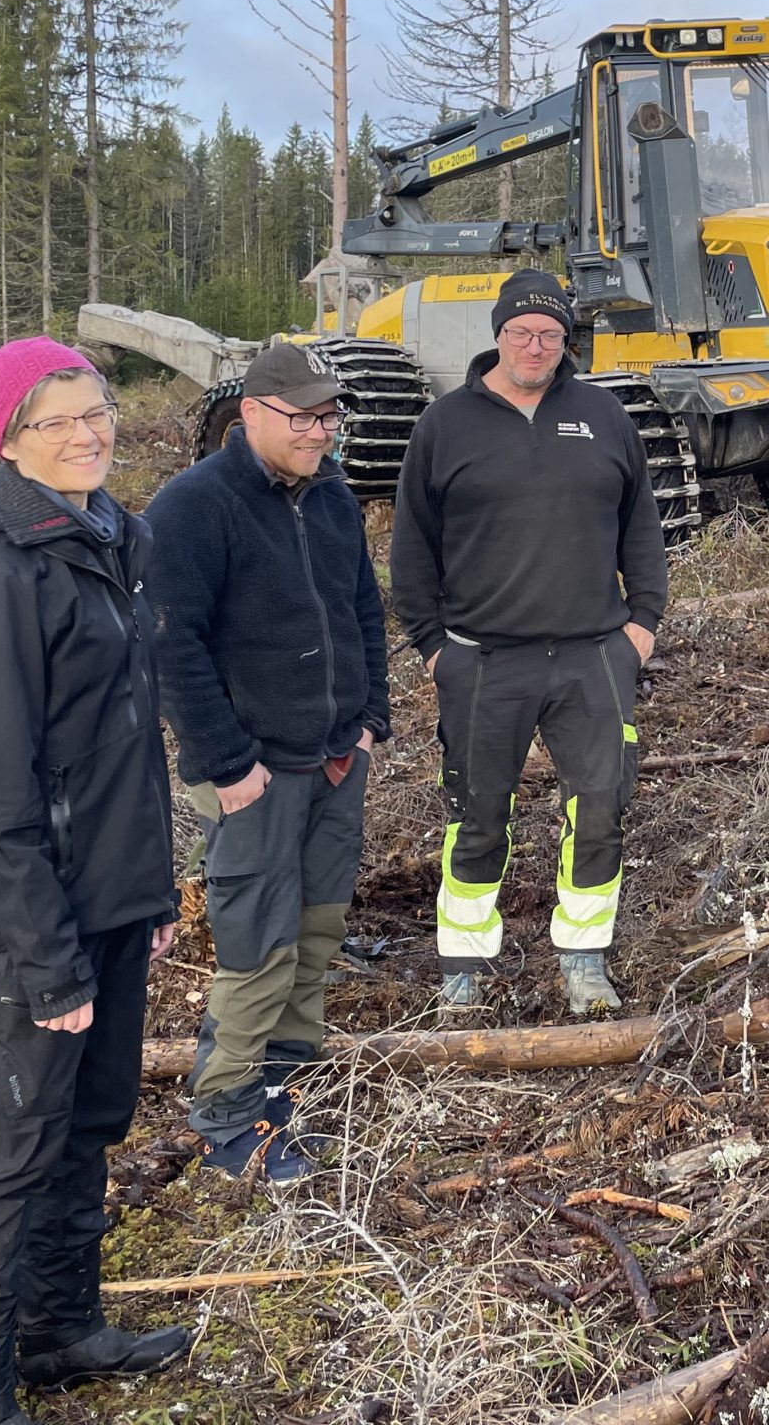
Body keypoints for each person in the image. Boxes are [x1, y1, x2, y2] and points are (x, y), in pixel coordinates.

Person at [0, 339, 186, 1425]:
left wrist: (148, 896)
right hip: (23, 929)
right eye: (58, 420)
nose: (89, 433)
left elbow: (124, 748)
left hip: (109, 908)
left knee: (89, 1127)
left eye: (98, 410)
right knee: (6, 1153)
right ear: (9, 441)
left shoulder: (112, 542)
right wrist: (45, 954)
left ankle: (58, 1331)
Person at [389, 269, 668, 1017]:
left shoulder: (604, 415)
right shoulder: (445, 424)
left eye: (549, 333)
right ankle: (465, 967)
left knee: (602, 807)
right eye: (521, 332)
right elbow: (411, 545)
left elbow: (641, 526)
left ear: (565, 340)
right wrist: (432, 646)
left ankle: (584, 960)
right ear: (499, 335)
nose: (535, 345)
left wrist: (640, 626)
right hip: (482, 657)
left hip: (593, 656)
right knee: (477, 812)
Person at [145, 342, 389, 1183]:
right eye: (304, 418)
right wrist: (225, 762)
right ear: (250, 414)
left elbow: (362, 609)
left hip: (333, 758)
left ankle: (286, 1077)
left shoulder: (331, 500)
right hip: (251, 773)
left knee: (318, 927)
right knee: (257, 945)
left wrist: (368, 722)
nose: (321, 433)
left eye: (330, 417)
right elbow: (171, 648)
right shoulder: (192, 507)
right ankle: (226, 1112)